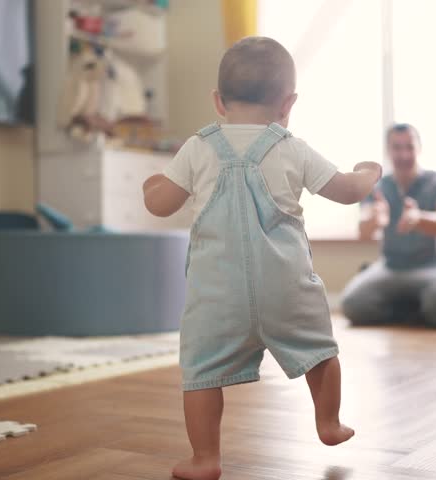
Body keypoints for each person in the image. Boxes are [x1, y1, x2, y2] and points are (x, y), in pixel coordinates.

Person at [142, 37, 382, 480]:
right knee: (320, 352)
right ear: (287, 103)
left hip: (217, 297)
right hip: (288, 290)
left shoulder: (198, 147)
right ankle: (328, 422)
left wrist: (152, 182)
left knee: (202, 372)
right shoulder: (292, 147)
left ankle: (206, 458)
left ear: (218, 100)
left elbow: (160, 204)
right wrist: (368, 173)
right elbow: (347, 192)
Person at [340, 124, 436, 329]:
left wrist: (419, 218)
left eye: (409, 147)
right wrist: (374, 218)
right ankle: (416, 309)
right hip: (392, 268)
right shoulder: (377, 187)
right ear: (388, 150)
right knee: (352, 305)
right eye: (397, 147)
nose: (403, 154)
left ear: (419, 148)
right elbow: (363, 231)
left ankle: (410, 307)